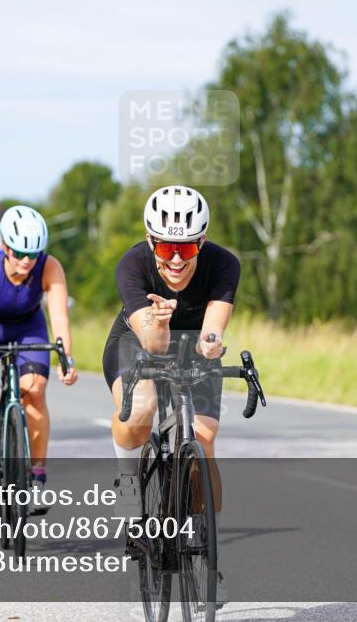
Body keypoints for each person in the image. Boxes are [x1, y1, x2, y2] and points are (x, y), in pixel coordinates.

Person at [103, 185, 240, 506]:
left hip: (191, 347)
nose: (177, 259)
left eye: (187, 249)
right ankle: (127, 477)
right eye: (166, 249)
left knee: (203, 441)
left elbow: (214, 327)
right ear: (150, 241)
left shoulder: (224, 264)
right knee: (141, 410)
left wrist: (210, 343)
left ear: (202, 242)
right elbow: (152, 343)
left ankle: (203, 539)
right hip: (137, 341)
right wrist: (160, 323)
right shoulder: (132, 265)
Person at [0, 205, 78, 497]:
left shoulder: (49, 267)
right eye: (19, 252)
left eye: (33, 254)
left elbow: (59, 319)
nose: (26, 260)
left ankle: (37, 475)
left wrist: (66, 359)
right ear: (5, 247)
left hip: (28, 328)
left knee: (34, 392)